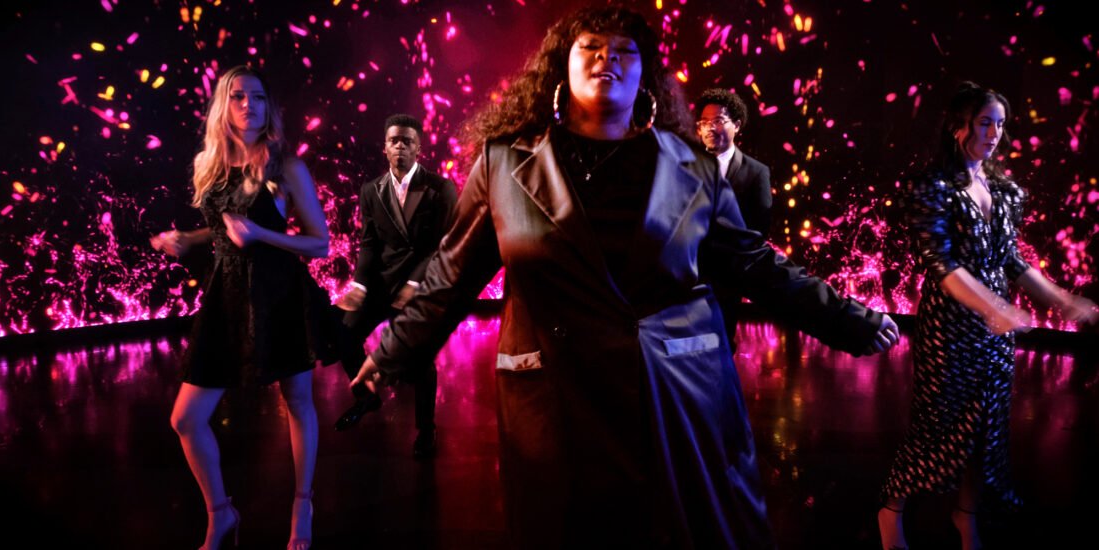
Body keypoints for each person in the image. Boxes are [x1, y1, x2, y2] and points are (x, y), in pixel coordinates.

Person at [353, 7, 899, 549]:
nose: (605, 59)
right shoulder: (503, 164)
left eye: (623, 51)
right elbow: (451, 276)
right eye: (590, 47)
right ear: (561, 66)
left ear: (646, 74)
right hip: (556, 396)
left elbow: (755, 264)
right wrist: (391, 353)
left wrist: (849, 319)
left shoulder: (693, 167)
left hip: (669, 394)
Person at [877, 81, 1099, 550]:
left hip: (996, 330)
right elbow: (942, 266)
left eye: (1000, 124)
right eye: (984, 123)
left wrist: (1063, 300)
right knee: (937, 425)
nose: (994, 133)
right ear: (958, 127)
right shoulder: (932, 187)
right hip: (950, 326)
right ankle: (891, 512)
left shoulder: (1003, 190)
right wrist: (994, 308)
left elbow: (1012, 261)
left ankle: (966, 515)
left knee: (985, 430)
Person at [152, 65, 334, 550]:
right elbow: (224, 229)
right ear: (223, 105)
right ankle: (221, 513)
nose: (248, 105)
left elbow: (320, 244)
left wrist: (261, 234)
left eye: (257, 96)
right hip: (227, 296)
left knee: (297, 402)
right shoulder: (208, 164)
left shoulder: (286, 167)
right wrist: (188, 238)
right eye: (238, 96)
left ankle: (303, 503)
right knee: (185, 419)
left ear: (269, 106)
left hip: (280, 295)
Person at [332, 114, 458, 459]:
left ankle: (426, 428)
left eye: (407, 141)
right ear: (385, 147)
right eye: (394, 141)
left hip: (423, 284)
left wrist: (416, 282)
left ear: (419, 148)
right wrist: (359, 284)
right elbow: (369, 244)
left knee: (421, 358)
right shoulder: (370, 190)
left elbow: (443, 245)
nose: (400, 146)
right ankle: (367, 397)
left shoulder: (440, 188)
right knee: (344, 333)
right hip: (382, 284)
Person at [695, 87, 773, 349]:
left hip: (727, 277)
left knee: (722, 344)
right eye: (704, 122)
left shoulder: (756, 172)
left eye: (718, 121)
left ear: (737, 125)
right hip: (688, 275)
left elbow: (759, 228)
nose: (710, 128)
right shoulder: (685, 166)